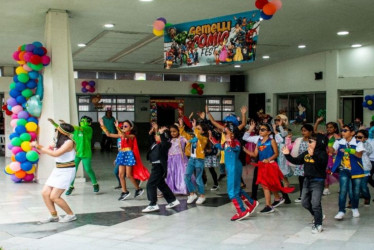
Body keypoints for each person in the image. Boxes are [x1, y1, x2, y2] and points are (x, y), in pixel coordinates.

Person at [210, 123, 258, 221]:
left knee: (232, 192)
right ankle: (251, 203)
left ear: (233, 134)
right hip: (232, 167)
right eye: (225, 132)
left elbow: (235, 147)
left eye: (226, 132)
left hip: (234, 168)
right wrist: (211, 138)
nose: (224, 133)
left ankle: (241, 211)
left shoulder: (236, 142)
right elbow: (221, 146)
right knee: (236, 189)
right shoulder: (227, 143)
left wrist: (230, 138)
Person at [243, 123, 294, 214]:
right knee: (267, 185)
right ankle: (277, 198)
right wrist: (244, 150)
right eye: (260, 129)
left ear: (269, 132)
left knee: (266, 185)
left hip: (271, 165)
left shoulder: (272, 141)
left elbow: (276, 153)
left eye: (263, 129)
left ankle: (269, 205)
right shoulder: (258, 141)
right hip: (262, 165)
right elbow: (255, 154)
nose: (260, 131)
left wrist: (269, 159)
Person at [31, 122, 77, 223]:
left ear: (60, 131)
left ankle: (71, 215)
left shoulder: (69, 142)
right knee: (45, 193)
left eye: (56, 130)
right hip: (57, 170)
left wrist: (40, 147)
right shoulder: (58, 141)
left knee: (54, 196)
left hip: (67, 170)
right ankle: (54, 216)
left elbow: (55, 154)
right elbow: (45, 151)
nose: (55, 131)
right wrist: (37, 147)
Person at [283, 134, 328, 234]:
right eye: (309, 141)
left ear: (319, 143)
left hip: (318, 181)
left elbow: (321, 164)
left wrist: (313, 155)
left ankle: (318, 224)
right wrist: (287, 154)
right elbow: (297, 161)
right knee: (304, 202)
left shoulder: (322, 154)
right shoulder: (306, 153)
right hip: (307, 180)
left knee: (315, 203)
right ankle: (317, 215)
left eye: (311, 141)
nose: (309, 143)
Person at [99, 119, 149, 200]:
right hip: (121, 154)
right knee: (120, 175)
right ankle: (124, 191)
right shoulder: (121, 135)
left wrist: (118, 128)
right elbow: (108, 134)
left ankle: (138, 189)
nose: (123, 127)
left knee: (129, 175)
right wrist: (102, 125)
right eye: (122, 126)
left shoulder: (132, 136)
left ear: (131, 128)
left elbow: (124, 135)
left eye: (125, 126)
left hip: (128, 155)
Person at [49, 117, 99, 195]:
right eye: (81, 121)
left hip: (86, 153)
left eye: (84, 121)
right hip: (77, 153)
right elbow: (64, 130)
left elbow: (80, 128)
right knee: (73, 171)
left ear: (89, 123)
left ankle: (95, 184)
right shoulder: (75, 131)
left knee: (88, 169)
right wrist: (54, 124)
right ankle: (71, 186)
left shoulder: (88, 129)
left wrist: (68, 124)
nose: (82, 122)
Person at [142, 123, 180, 212]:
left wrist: (162, 133)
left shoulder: (165, 144)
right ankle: (172, 200)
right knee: (160, 184)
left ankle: (153, 203)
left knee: (151, 184)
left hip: (159, 167)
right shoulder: (156, 143)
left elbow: (164, 141)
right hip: (155, 166)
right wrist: (152, 132)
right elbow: (151, 139)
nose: (156, 135)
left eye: (158, 135)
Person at [330, 124, 365, 220]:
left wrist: (350, 150)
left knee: (355, 191)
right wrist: (329, 142)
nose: (343, 132)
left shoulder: (358, 142)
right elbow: (332, 151)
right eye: (342, 130)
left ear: (352, 133)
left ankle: (354, 208)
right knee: (343, 190)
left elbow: (359, 155)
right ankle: (341, 211)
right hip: (344, 169)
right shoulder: (339, 141)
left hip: (356, 170)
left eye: (345, 130)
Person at [179, 118, 208, 205]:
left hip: (199, 160)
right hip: (191, 159)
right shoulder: (192, 137)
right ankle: (192, 194)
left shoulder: (203, 139)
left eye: (199, 129)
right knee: (186, 176)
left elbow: (198, 136)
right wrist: (181, 125)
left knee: (198, 179)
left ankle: (202, 196)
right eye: (196, 129)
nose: (196, 130)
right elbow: (183, 134)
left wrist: (194, 127)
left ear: (202, 131)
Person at [314, 117, 340, 195]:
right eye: (327, 127)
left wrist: (341, 123)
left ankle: (341, 185)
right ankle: (326, 188)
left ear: (335, 129)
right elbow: (315, 131)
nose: (329, 129)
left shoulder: (337, 136)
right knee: (326, 172)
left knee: (336, 172)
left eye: (331, 127)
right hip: (326, 156)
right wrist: (317, 121)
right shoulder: (324, 136)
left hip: (335, 156)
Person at [289, 124, 314, 203]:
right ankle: (302, 195)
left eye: (305, 131)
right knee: (301, 180)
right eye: (302, 131)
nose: (303, 132)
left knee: (309, 180)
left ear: (310, 132)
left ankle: (310, 195)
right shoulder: (299, 139)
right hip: (301, 163)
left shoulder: (313, 141)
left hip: (309, 163)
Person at [166, 124, 189, 195]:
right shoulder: (169, 139)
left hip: (180, 159)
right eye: (171, 132)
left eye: (174, 131)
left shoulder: (182, 138)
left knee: (181, 173)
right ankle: (172, 188)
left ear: (178, 131)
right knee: (171, 173)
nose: (172, 133)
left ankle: (182, 188)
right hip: (170, 159)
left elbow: (189, 142)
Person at [354, 129, 372, 206]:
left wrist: (361, 144)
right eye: (356, 137)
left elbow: (368, 151)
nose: (357, 138)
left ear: (366, 138)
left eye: (360, 137)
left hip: (365, 167)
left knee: (363, 185)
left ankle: (367, 196)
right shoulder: (353, 143)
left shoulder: (367, 145)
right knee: (355, 186)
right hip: (355, 167)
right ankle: (352, 202)